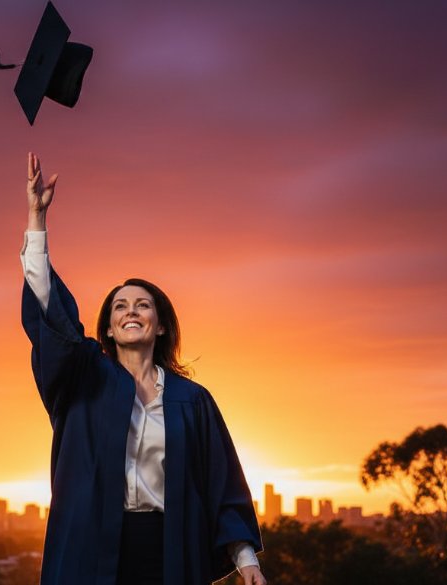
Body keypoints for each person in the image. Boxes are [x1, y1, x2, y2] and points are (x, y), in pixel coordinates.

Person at [21, 152, 266, 585]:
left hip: (167, 550)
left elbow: (222, 483)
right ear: (109, 330)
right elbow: (53, 319)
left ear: (161, 324)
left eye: (142, 304)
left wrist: (247, 559)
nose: (130, 311)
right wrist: (37, 223)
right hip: (91, 549)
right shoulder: (83, 381)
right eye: (120, 306)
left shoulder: (193, 401)